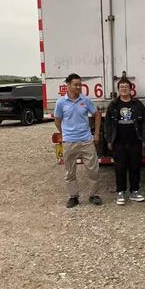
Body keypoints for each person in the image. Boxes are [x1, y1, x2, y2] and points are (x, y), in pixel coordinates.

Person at [54, 73, 102, 207]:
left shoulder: (85, 100)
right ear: (68, 85)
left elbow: (97, 114)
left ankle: (94, 195)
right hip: (69, 142)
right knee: (70, 171)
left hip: (86, 141)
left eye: (80, 85)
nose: (78, 87)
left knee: (93, 170)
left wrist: (96, 134)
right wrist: (64, 134)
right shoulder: (61, 102)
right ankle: (73, 196)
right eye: (75, 85)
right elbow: (57, 120)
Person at [104, 77, 145, 205]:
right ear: (118, 89)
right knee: (120, 168)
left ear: (130, 89)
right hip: (118, 143)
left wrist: (144, 138)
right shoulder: (113, 105)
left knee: (135, 167)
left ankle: (135, 191)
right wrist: (109, 140)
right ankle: (120, 192)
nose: (124, 88)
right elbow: (107, 124)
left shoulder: (137, 104)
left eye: (126, 86)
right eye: (121, 87)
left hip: (135, 141)